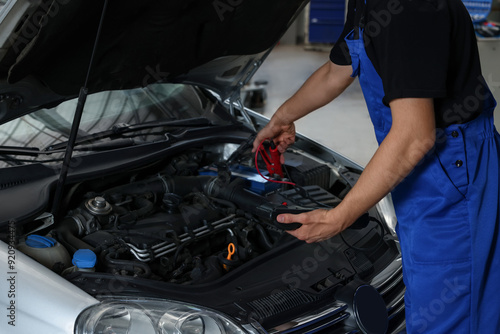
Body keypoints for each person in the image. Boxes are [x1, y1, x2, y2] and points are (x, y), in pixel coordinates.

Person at [252, 0, 500, 332]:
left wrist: (340, 215)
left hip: (451, 166)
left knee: (451, 307)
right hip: (421, 165)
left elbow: (414, 137)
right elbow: (336, 70)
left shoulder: (406, 9)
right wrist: (281, 118)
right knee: (427, 291)